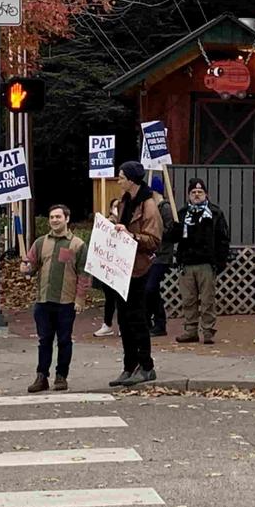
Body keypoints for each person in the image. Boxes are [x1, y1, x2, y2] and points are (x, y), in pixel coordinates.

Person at [21, 204, 90, 393]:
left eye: (58, 217)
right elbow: (32, 264)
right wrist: (26, 269)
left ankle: (61, 376)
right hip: (43, 300)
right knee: (44, 341)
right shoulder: (40, 243)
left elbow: (83, 273)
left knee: (64, 340)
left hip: (66, 302)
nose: (54, 220)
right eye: (51, 217)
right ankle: (41, 376)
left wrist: (80, 298)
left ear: (67, 219)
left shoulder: (77, 244)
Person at [109, 161, 162, 387]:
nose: (118, 180)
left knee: (137, 318)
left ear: (131, 179)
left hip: (139, 269)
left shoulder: (149, 204)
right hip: (123, 268)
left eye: (121, 177)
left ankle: (146, 366)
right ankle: (129, 365)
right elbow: (121, 224)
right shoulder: (125, 201)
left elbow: (154, 240)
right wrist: (112, 225)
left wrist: (132, 236)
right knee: (123, 319)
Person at [165, 177, 230, 344]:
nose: (196, 195)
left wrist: (220, 261)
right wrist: (176, 229)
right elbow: (171, 238)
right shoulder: (181, 213)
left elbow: (223, 239)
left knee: (208, 300)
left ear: (206, 194)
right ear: (188, 195)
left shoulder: (215, 213)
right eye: (193, 192)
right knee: (188, 299)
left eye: (200, 192)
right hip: (187, 263)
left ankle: (208, 331)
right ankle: (190, 330)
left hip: (207, 263)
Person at [145, 177, 175, 337]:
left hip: (162, 255)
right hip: (151, 255)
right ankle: (152, 321)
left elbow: (169, 231)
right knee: (150, 289)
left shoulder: (165, 208)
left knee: (150, 288)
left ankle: (159, 322)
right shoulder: (152, 208)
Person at [93, 197, 123, 338]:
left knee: (122, 298)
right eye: (114, 206)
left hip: (122, 267)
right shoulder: (105, 224)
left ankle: (123, 325)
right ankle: (107, 324)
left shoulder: (126, 224)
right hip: (108, 266)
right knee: (109, 297)